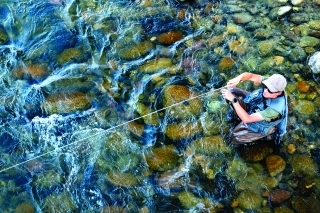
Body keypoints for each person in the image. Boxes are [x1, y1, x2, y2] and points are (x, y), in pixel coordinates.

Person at [220, 72, 288, 144]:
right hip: (255, 105)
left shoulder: (275, 109)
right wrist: (237, 79)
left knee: (234, 137)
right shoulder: (272, 82)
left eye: (269, 91)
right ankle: (238, 115)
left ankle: (269, 133)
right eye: (265, 86)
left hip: (259, 123)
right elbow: (250, 76)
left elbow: (247, 119)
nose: (265, 91)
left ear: (278, 93)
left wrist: (233, 100)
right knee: (231, 91)